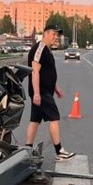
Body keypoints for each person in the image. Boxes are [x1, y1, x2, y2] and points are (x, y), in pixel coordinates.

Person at [26, 26, 75, 161]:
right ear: (46, 34)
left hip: (45, 90)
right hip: (41, 92)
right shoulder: (39, 48)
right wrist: (36, 93)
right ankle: (59, 151)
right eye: (53, 34)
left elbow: (47, 73)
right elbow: (35, 71)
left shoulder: (46, 49)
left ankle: (27, 150)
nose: (56, 38)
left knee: (35, 120)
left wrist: (55, 88)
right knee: (54, 117)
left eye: (57, 35)